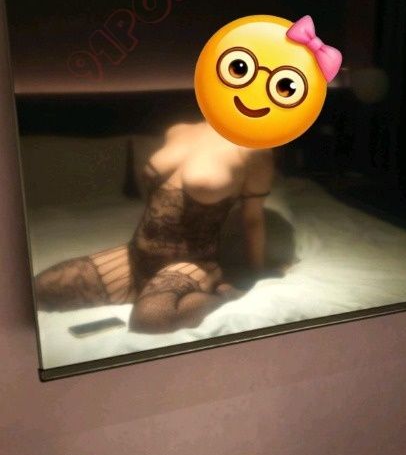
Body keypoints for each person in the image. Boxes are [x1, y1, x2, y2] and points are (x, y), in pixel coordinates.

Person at [35, 121, 274, 334]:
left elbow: (253, 219)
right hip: (135, 258)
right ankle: (145, 290)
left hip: (191, 265)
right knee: (38, 288)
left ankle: (223, 297)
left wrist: (255, 277)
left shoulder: (253, 150)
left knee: (150, 319)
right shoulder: (179, 131)